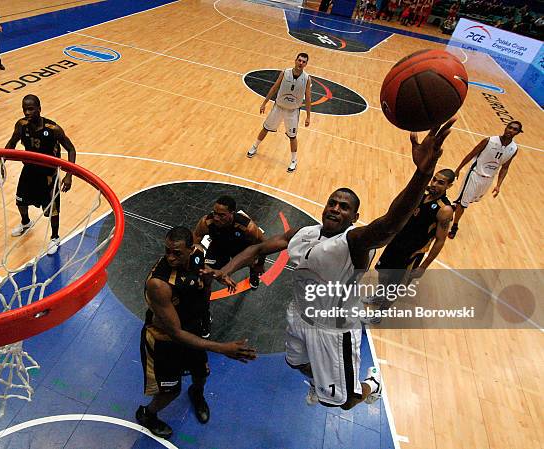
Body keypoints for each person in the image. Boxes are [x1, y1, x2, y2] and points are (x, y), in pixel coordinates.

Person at [210, 119, 456, 408]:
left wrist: (422, 173)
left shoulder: (354, 242)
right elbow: (260, 247)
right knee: (295, 362)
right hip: (300, 316)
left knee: (343, 401)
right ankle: (322, 381)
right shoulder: (304, 233)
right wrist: (223, 270)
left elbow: (389, 225)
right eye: (332, 203)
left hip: (334, 330)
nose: (336, 208)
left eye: (344, 207)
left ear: (354, 217)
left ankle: (371, 385)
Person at [137, 226, 256, 439]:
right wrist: (222, 348)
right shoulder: (159, 283)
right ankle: (147, 414)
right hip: (166, 341)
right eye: (167, 251)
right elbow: (176, 333)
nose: (170, 257)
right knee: (171, 391)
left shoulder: (200, 256)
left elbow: (204, 280)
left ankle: (196, 393)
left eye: (177, 253)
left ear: (191, 250)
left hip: (193, 330)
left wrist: (218, 275)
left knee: (201, 374)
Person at [363, 169, 455, 322]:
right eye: (434, 180)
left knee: (395, 286)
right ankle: (379, 296)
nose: (435, 184)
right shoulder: (422, 196)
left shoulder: (444, 210)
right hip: (396, 242)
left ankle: (379, 314)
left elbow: (440, 240)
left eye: (441, 182)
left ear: (449, 186)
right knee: (383, 273)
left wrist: (423, 266)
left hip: (411, 253)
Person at [0, 94, 76, 255]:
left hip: (48, 175)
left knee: (52, 211)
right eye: (24, 109)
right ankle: (26, 223)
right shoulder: (21, 125)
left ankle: (54, 237)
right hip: (30, 170)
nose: (27, 112)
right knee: (20, 201)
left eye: (31, 109)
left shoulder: (53, 129)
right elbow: (11, 143)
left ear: (39, 109)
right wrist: (0, 163)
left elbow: (71, 149)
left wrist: (69, 175)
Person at [193, 195, 265, 337]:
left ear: (232, 214)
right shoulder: (207, 222)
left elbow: (262, 245)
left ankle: (253, 274)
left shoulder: (247, 227)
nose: (217, 218)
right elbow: (194, 243)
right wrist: (201, 266)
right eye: (214, 213)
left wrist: (260, 263)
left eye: (222, 215)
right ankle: (205, 316)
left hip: (241, 248)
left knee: (253, 262)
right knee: (205, 279)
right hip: (219, 247)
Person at [449, 121, 522, 239]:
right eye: (510, 127)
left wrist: (498, 185)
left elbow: (505, 167)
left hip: (488, 179)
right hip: (474, 174)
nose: (511, 130)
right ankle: (455, 226)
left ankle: (452, 208)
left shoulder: (513, 149)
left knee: (468, 200)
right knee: (464, 203)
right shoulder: (489, 141)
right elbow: (471, 154)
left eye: (515, 129)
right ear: (506, 127)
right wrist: (458, 169)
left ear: (518, 133)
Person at [246, 53, 312, 173]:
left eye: (304, 62)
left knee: (292, 136)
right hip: (278, 107)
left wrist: (308, 116)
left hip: (292, 112)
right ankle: (254, 147)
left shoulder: (307, 78)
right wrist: (264, 103)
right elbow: (274, 88)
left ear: (306, 64)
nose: (301, 63)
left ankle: (293, 160)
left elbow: (308, 98)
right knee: (265, 128)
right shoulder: (285, 72)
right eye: (299, 60)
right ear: (295, 60)